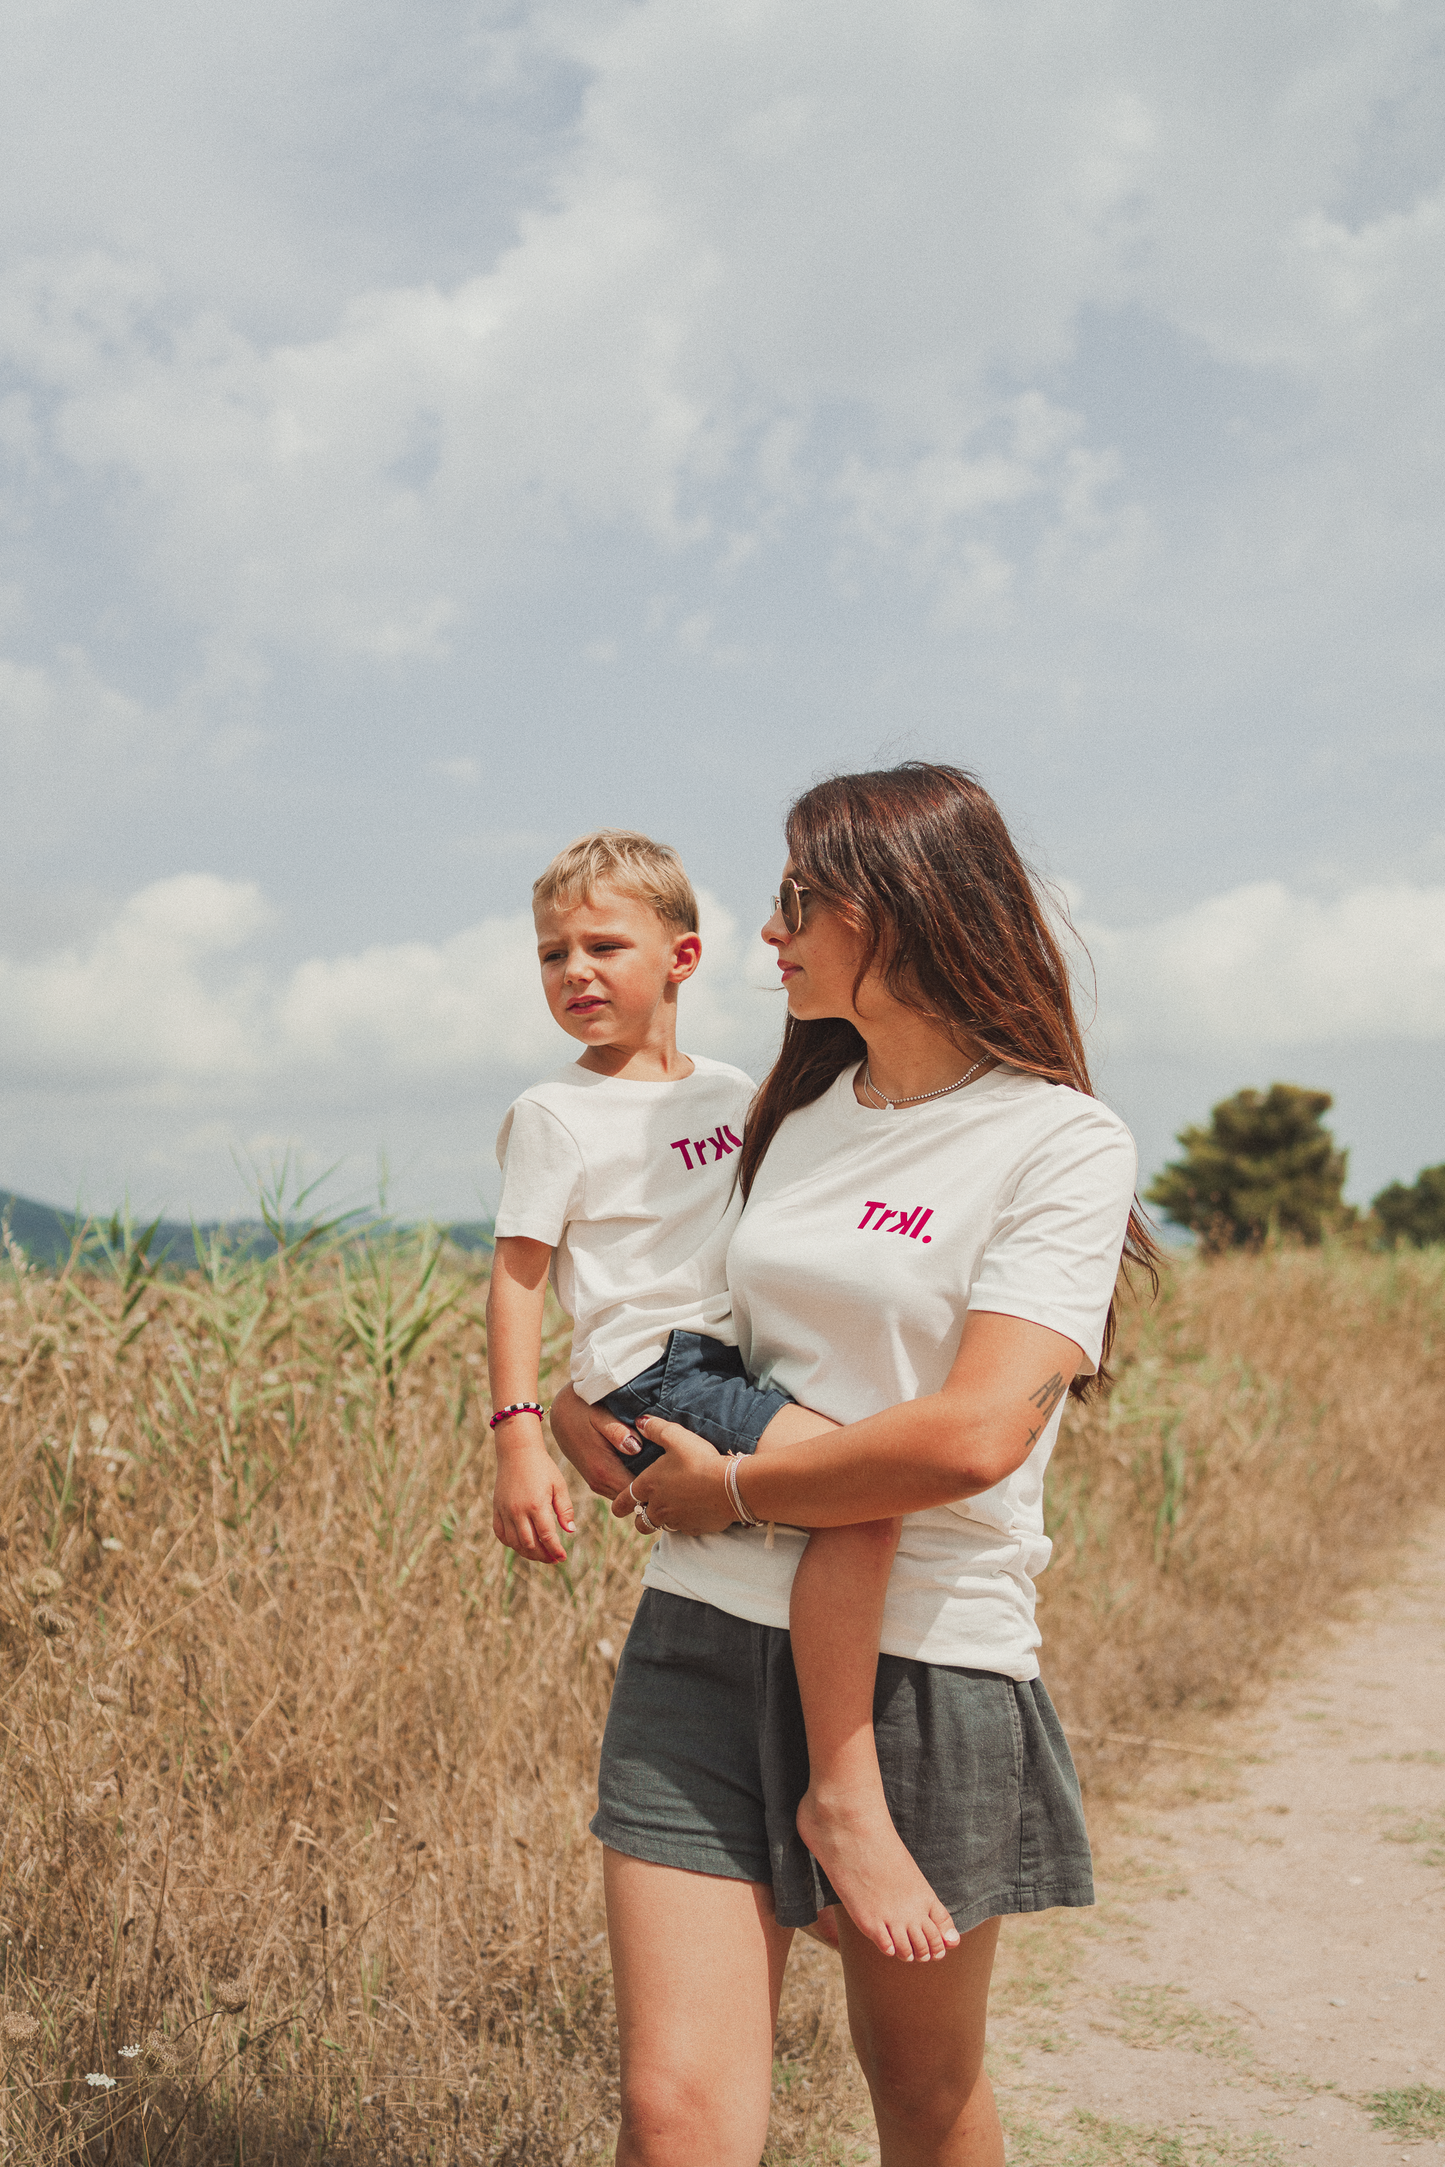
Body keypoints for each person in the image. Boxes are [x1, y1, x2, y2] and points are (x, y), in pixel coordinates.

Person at [549, 764, 1157, 2167]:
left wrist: (746, 1489)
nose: (770, 932)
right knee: (674, 2115)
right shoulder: (795, 1117)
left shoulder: (1057, 1137)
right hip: (704, 1627)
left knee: (923, 2090)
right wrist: (577, 1413)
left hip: (926, 1655)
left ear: (903, 906)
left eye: (797, 899)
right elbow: (694, 1331)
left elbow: (975, 1432)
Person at [486, 828, 961, 1964]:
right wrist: (522, 1432)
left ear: (685, 956)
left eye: (604, 944)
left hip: (736, 1359)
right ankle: (839, 1809)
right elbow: (516, 1279)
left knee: (831, 1520)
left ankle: (813, 1840)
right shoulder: (555, 1116)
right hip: (665, 1375)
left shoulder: (736, 1091)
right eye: (551, 955)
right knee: (863, 1494)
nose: (574, 972)